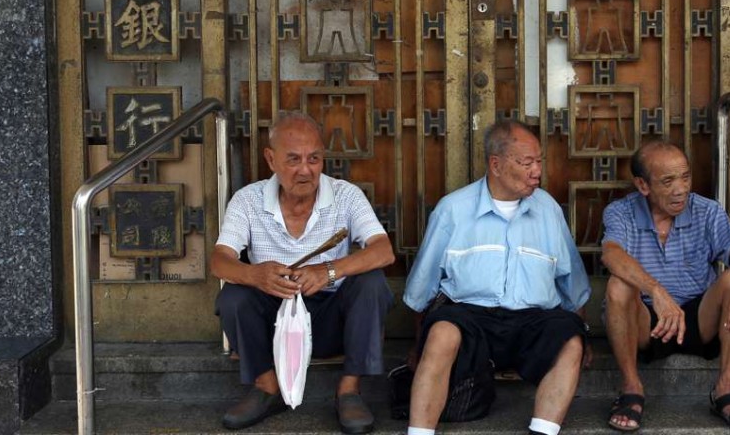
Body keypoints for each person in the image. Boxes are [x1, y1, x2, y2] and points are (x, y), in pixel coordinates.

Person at [402, 120, 591, 435]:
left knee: (570, 338)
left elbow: (572, 285)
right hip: (470, 317)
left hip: (531, 320)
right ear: (496, 165)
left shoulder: (548, 210)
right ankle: (419, 432)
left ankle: (543, 430)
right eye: (527, 162)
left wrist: (582, 331)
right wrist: (418, 344)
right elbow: (422, 287)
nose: (537, 171)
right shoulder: (453, 210)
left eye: (539, 161)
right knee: (442, 331)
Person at [211, 111, 395, 432]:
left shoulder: (346, 196)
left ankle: (349, 390)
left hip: (329, 320)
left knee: (371, 282)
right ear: (271, 159)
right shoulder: (247, 201)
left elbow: (383, 250)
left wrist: (329, 271)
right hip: (273, 325)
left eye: (314, 158)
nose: (306, 170)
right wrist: (256, 275)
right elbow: (219, 260)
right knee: (233, 295)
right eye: (293, 159)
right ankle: (267, 387)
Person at [601, 139, 730, 433]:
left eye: (685, 177)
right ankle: (631, 388)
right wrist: (657, 291)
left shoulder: (707, 211)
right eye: (668, 181)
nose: (681, 189)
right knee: (618, 285)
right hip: (646, 321)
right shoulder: (620, 212)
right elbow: (611, 254)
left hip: (699, 319)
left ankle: (724, 390)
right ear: (642, 185)